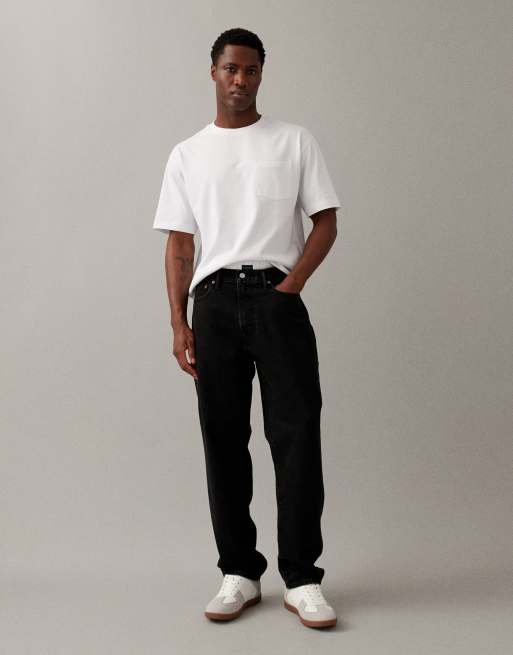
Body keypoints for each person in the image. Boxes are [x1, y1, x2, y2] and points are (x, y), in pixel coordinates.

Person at [152, 27, 341, 629]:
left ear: (261, 74)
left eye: (251, 70)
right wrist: (178, 322)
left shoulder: (293, 141)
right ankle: (239, 570)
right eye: (231, 68)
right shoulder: (188, 154)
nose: (240, 79)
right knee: (224, 439)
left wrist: (291, 287)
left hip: (275, 298)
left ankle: (303, 578)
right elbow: (180, 244)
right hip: (211, 305)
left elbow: (326, 221)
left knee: (297, 436)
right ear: (213, 72)